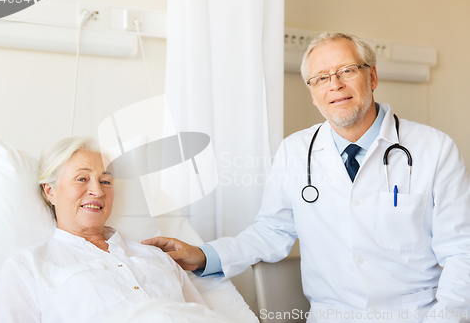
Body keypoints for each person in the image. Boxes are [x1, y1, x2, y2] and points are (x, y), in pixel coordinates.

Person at [143, 32, 470, 322]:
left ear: (371, 77)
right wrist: (204, 255)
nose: (335, 85)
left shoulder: (434, 149)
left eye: (346, 71)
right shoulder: (295, 151)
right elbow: (272, 232)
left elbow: (461, 251)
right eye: (321, 78)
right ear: (313, 93)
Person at [0, 136, 234, 323]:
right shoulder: (27, 267)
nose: (97, 191)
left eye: (105, 181)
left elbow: (202, 314)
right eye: (82, 179)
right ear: (50, 191)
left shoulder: (154, 255)